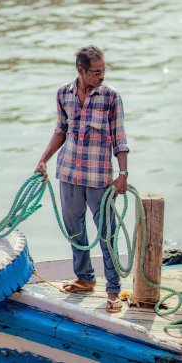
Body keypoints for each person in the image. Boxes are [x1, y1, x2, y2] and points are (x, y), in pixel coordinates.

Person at [35, 46, 129, 313]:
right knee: (74, 229)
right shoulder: (63, 93)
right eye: (96, 72)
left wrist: (122, 174)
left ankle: (112, 290)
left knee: (106, 234)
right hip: (69, 172)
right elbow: (61, 129)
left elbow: (119, 138)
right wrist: (43, 159)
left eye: (103, 71)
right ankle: (84, 278)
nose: (101, 76)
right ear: (81, 71)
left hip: (99, 177)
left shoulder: (111, 97)